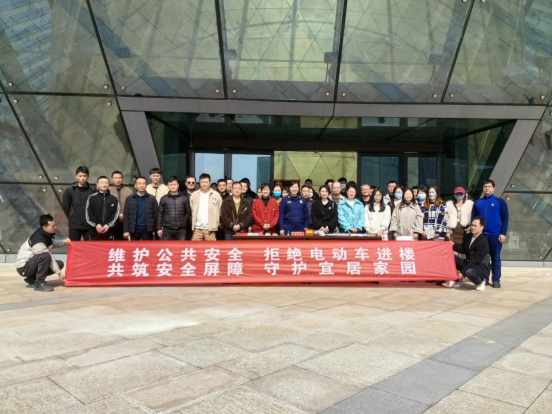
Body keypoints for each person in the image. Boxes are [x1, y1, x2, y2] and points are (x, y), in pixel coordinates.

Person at [15, 214, 70, 292]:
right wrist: (59, 273)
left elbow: (51, 243)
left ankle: (32, 279)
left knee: (59, 264)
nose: (55, 227)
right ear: (44, 227)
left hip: (31, 264)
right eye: (52, 226)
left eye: (54, 225)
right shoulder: (38, 241)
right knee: (46, 256)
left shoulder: (44, 234)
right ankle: (39, 283)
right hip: (24, 267)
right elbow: (49, 257)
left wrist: (63, 242)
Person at [471, 180, 509, 288]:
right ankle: (484, 278)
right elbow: (473, 219)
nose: (487, 188)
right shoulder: (477, 203)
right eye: (485, 186)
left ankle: (496, 280)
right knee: (482, 258)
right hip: (481, 235)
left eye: (489, 186)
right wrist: (474, 232)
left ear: (493, 188)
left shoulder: (500, 202)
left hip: (495, 234)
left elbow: (505, 218)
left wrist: (503, 233)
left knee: (495, 258)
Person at [451, 217, 491, 291]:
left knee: (469, 272)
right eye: (472, 225)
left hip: (480, 267)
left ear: (482, 227)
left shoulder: (483, 242)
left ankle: (480, 282)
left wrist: (462, 272)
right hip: (469, 263)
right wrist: (452, 246)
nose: (472, 227)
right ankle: (455, 281)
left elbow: (475, 261)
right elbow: (463, 249)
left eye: (475, 226)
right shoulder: (468, 236)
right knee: (452, 257)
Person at [62, 166, 95, 241]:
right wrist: (72, 216)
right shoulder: (69, 190)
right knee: (74, 245)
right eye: (80, 176)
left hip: (89, 225)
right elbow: (66, 206)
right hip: (74, 224)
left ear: (88, 176)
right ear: (76, 176)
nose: (82, 178)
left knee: (89, 246)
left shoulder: (93, 190)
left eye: (85, 176)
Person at [190, 173, 222, 241]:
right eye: (202, 182)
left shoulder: (216, 195)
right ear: (199, 183)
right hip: (197, 228)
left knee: (211, 247)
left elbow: (220, 210)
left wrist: (217, 221)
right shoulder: (194, 195)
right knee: (195, 247)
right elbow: (191, 208)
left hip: (210, 229)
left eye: (206, 182)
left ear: (210, 182)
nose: (204, 184)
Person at [86, 176, 120, 240]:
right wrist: (96, 225)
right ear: (97, 185)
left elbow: (116, 214)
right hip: (94, 231)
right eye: (101, 183)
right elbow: (88, 213)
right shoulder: (92, 198)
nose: (104, 185)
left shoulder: (114, 198)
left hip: (109, 231)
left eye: (106, 183)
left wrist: (108, 225)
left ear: (108, 184)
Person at [156, 176, 190, 240]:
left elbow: (188, 212)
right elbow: (160, 214)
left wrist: (184, 221)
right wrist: (159, 228)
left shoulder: (184, 198)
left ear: (178, 185)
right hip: (167, 229)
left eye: (174, 184)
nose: (173, 186)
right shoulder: (164, 198)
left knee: (181, 246)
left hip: (181, 229)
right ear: (167, 186)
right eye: (170, 185)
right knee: (166, 246)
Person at [108, 171, 133, 240]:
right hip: (111, 220)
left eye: (119, 178)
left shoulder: (129, 191)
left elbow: (131, 205)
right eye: (115, 178)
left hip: (125, 219)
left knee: (123, 240)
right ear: (112, 179)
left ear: (122, 179)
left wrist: (123, 214)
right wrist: (117, 215)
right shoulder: (108, 190)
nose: (118, 180)